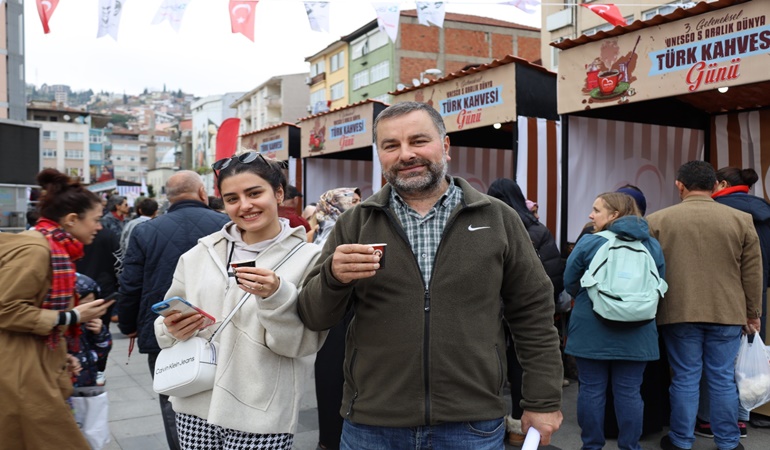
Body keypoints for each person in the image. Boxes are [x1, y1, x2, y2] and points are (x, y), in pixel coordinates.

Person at [298, 101, 564, 449]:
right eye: (391, 145)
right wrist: (333, 276)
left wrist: (543, 401)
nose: (406, 154)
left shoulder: (497, 218)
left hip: (471, 425)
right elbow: (314, 316)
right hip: (373, 426)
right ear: (380, 154)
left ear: (446, 146)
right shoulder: (356, 222)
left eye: (418, 140)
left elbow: (533, 314)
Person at [155, 151, 326, 449]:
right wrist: (172, 328)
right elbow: (165, 321)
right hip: (195, 400)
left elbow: (299, 345)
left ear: (279, 193)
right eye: (232, 198)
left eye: (254, 193)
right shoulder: (198, 254)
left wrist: (276, 294)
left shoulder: (311, 259)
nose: (244, 206)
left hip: (261, 410)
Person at [647, 161, 762, 450]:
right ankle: (728, 442)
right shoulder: (741, 220)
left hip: (677, 309)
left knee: (685, 377)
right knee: (722, 378)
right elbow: (752, 272)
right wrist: (753, 313)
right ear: (715, 186)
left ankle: (681, 440)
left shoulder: (657, 221)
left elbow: (649, 270)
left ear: (679, 185)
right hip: (727, 310)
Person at [0, 168, 115, 449]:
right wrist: (74, 315)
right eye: (96, 220)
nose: (99, 227)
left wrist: (62, 357)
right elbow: (7, 309)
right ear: (72, 219)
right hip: (19, 373)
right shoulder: (37, 249)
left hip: (33, 365)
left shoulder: (51, 248)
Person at [118, 170, 229, 450]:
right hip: (220, 327)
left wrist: (128, 324)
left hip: (165, 328)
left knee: (173, 399)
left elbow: (131, 284)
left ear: (167, 199)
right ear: (203, 193)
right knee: (224, 393)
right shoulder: (227, 224)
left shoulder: (145, 230)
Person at [564, 192, 665, 450]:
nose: (591, 215)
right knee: (630, 392)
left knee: (592, 390)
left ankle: (592, 446)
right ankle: (630, 446)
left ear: (614, 215)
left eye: (596, 210)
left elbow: (569, 281)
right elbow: (660, 284)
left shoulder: (589, 242)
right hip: (638, 330)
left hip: (592, 328)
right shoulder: (651, 245)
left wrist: (593, 299)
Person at [487, 178, 565, 446]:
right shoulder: (537, 227)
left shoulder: (492, 223)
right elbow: (554, 272)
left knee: (494, 362)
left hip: (492, 313)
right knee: (522, 363)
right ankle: (521, 425)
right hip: (525, 310)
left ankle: (499, 421)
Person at [695, 166, 770, 439]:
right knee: (742, 362)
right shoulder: (765, 213)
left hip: (719, 299)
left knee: (712, 365)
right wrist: (755, 308)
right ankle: (740, 419)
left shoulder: (716, 211)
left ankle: (706, 421)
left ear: (722, 183)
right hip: (755, 297)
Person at [312, 187, 362, 450]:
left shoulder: (362, 231)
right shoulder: (320, 239)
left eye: (358, 201)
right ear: (333, 206)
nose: (357, 205)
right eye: (350, 201)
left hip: (357, 320)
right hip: (332, 323)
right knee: (333, 381)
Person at [70, 273, 112, 389]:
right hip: (69, 384)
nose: (89, 310)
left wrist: (100, 333)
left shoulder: (90, 323)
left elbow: (101, 353)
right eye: (84, 305)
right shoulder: (63, 328)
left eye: (92, 304)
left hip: (88, 382)